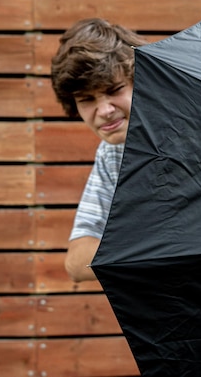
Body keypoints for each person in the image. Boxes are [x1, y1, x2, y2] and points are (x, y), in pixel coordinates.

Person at [50, 18, 147, 282]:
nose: (104, 110)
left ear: (141, 82)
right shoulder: (112, 153)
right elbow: (77, 260)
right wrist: (146, 248)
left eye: (114, 90)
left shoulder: (200, 135)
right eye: (87, 99)